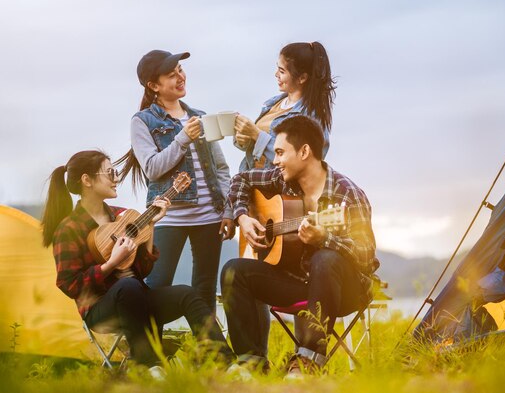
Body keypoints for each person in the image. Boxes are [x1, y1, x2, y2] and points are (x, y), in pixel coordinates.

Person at [42, 150, 232, 367]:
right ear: (87, 180)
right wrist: (110, 264)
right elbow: (69, 284)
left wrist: (151, 226)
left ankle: (223, 362)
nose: (116, 179)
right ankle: (149, 365)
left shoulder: (123, 216)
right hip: (101, 310)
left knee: (186, 294)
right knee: (128, 286)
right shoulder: (69, 229)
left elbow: (142, 270)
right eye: (110, 173)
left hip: (137, 299)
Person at [221, 116, 379, 374]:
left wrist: (324, 239)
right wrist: (244, 217)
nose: (275, 160)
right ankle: (250, 365)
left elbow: (366, 256)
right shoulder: (282, 180)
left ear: (304, 151)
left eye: (281, 152)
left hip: (345, 290)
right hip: (299, 284)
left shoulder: (348, 193)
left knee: (325, 258)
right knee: (233, 271)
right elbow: (240, 180)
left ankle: (307, 363)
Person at [116, 50, 235, 314]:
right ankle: (152, 349)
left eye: (180, 70)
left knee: (204, 288)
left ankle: (205, 353)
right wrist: (182, 138)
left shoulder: (200, 116)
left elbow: (222, 168)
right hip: (168, 217)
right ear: (154, 86)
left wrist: (228, 210)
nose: (180, 77)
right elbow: (152, 168)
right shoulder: (142, 121)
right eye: (172, 75)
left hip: (210, 216)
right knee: (158, 285)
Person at [233, 41, 335, 172]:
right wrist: (245, 140)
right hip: (253, 184)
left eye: (282, 71)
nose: (276, 74)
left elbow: (302, 163)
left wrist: (257, 135)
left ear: (302, 78)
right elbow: (258, 151)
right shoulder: (272, 104)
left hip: (280, 190)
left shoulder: (311, 116)